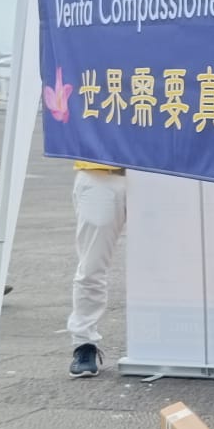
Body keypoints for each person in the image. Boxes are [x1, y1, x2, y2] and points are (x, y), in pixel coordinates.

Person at [67, 159, 125, 377]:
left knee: (166, 265)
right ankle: (84, 344)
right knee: (92, 266)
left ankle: (171, 340)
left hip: (159, 173)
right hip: (100, 173)